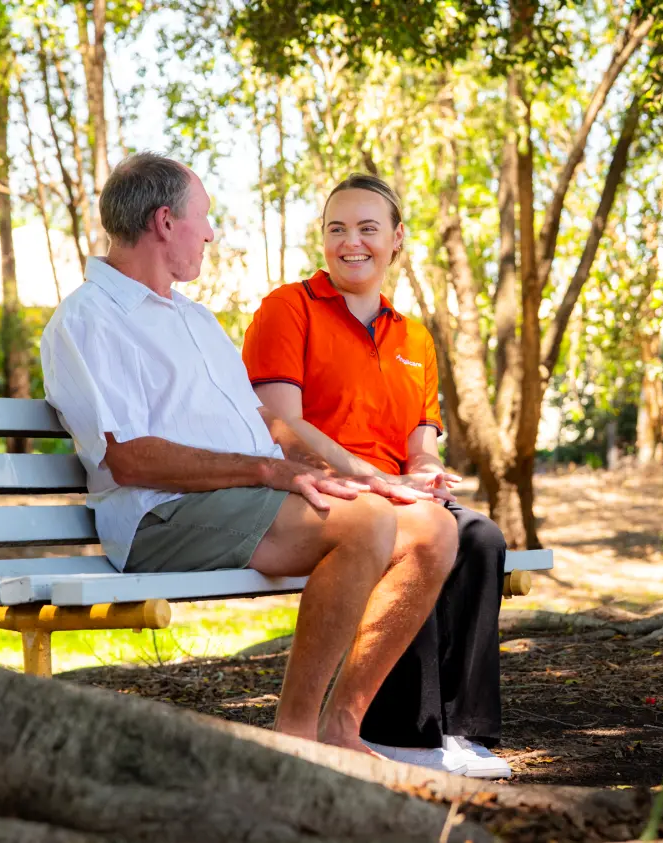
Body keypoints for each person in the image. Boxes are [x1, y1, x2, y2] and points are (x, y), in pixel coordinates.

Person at [39, 153, 459, 756]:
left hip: (242, 499)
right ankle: (293, 744)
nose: (209, 232)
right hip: (161, 516)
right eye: (203, 217)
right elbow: (128, 460)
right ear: (164, 222)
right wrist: (270, 472)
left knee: (433, 530)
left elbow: (270, 425)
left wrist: (370, 476)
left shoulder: (193, 318)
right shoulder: (89, 320)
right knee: (366, 526)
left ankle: (341, 728)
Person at [241, 173, 513, 779]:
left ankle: (460, 731)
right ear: (323, 240)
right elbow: (279, 426)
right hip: (324, 490)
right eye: (337, 229)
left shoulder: (414, 335)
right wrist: (375, 479)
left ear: (397, 241)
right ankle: (398, 732)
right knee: (406, 528)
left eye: (368, 229)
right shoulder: (289, 308)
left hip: (392, 487)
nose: (351, 242)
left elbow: (422, 432)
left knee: (482, 536)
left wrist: (426, 468)